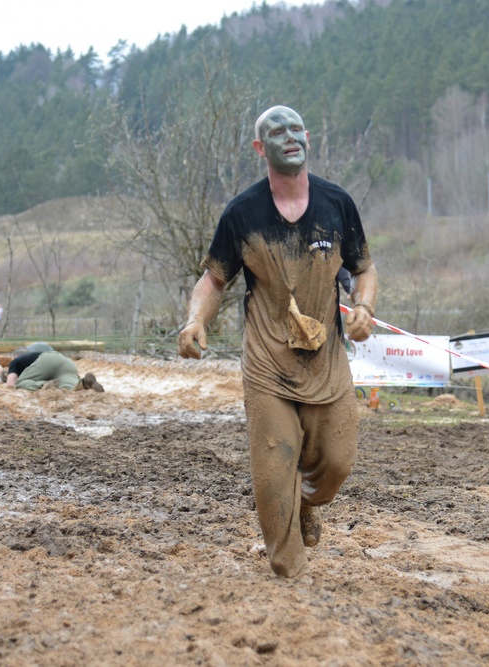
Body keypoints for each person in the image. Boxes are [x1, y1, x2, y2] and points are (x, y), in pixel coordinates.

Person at [177, 105, 378, 579]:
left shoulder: (336, 203)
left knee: (336, 462)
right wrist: (194, 321)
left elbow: (364, 268)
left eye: (295, 129)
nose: (289, 137)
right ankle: (290, 573)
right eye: (276, 131)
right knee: (273, 473)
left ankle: (310, 502)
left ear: (307, 137)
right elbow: (213, 280)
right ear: (259, 147)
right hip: (268, 362)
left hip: (326, 360)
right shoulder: (243, 213)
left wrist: (365, 308)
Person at [3, 343, 103, 392]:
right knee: (70, 389)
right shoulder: (37, 349)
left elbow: (10, 384)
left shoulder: (17, 360)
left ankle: (45, 385)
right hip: (66, 362)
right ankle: (85, 384)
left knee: (19, 383)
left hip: (47, 360)